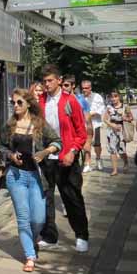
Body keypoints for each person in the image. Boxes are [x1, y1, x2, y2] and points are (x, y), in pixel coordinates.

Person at [0, 88, 62, 272]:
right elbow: (0, 146)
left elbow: (57, 142)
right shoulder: (9, 125)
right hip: (16, 177)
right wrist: (10, 156)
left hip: (37, 177)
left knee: (39, 219)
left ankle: (32, 239)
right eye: (13, 103)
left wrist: (45, 152)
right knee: (23, 218)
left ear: (28, 104)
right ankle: (30, 255)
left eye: (19, 103)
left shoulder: (39, 124)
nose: (15, 106)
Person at [37, 64, 90, 253]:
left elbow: (81, 133)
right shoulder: (40, 101)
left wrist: (73, 151)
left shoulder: (71, 101)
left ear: (59, 80)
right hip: (46, 158)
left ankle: (82, 235)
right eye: (44, 81)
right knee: (46, 198)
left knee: (72, 197)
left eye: (50, 80)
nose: (46, 84)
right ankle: (50, 236)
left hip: (67, 158)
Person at [103, 90, 131, 175]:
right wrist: (112, 125)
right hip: (111, 130)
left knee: (121, 150)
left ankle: (126, 162)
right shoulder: (109, 107)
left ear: (119, 97)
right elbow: (104, 119)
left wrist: (124, 118)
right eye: (112, 97)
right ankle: (114, 170)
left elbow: (131, 118)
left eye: (115, 96)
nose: (113, 99)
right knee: (112, 150)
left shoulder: (125, 106)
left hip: (121, 130)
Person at [81, 80, 106, 172]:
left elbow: (102, 108)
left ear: (90, 88)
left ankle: (98, 159)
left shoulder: (97, 97)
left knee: (96, 144)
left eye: (86, 88)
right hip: (84, 125)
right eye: (83, 88)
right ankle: (87, 163)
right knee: (86, 144)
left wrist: (93, 113)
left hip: (95, 124)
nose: (84, 90)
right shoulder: (80, 97)